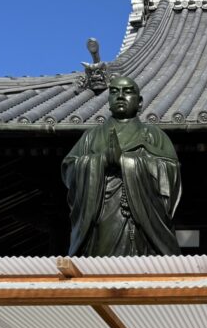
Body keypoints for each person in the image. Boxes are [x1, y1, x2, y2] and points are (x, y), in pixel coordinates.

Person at [61, 75, 181, 255]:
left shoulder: (155, 135)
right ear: (108, 100)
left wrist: (125, 162)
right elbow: (69, 168)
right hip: (102, 217)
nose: (120, 96)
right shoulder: (91, 136)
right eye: (114, 92)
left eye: (127, 92)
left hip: (143, 220)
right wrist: (101, 160)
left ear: (139, 102)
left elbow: (171, 173)